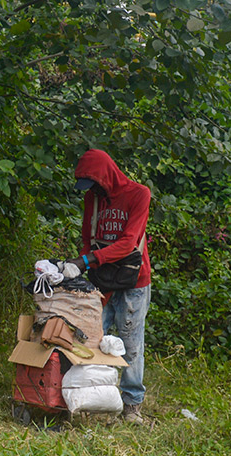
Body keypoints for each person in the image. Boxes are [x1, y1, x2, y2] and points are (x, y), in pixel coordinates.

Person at [65, 149, 152, 424]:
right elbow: (87, 238)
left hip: (132, 280)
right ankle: (87, 397)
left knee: (131, 342)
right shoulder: (93, 198)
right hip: (101, 279)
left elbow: (128, 243)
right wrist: (81, 267)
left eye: (95, 185)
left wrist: (86, 261)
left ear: (106, 176)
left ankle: (131, 404)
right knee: (87, 335)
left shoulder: (139, 194)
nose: (93, 192)